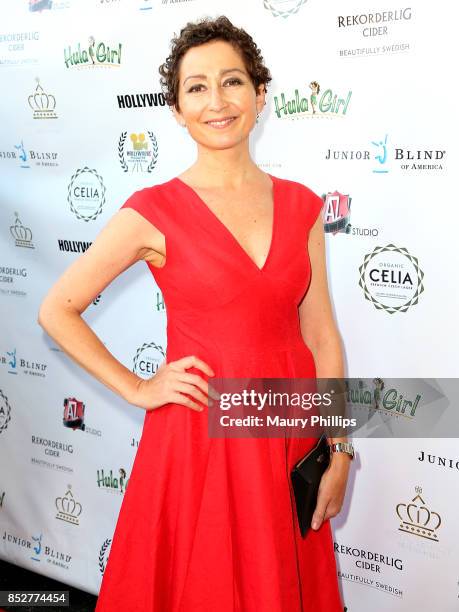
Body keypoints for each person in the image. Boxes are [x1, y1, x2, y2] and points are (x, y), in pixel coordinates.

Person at [38, 15, 351, 612]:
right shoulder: (153, 210)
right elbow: (59, 309)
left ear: (260, 96)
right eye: (196, 87)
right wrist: (136, 387)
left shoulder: (304, 206)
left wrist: (338, 450)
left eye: (232, 82)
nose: (217, 101)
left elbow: (322, 336)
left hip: (287, 434)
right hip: (200, 441)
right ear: (177, 110)